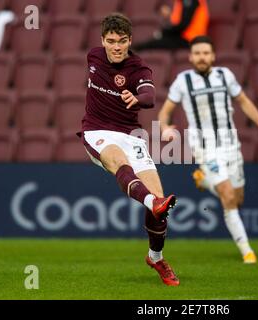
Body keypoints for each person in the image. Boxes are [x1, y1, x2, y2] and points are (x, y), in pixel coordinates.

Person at [77, 13, 179, 286]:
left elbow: (149, 96)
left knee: (159, 207)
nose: (117, 47)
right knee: (117, 160)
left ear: (130, 41)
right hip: (97, 131)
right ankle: (152, 203)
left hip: (131, 136)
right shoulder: (93, 57)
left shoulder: (139, 68)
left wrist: (138, 98)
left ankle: (155, 258)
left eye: (122, 41)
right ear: (103, 41)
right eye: (111, 41)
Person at [158, 35, 258, 264]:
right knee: (227, 195)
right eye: (197, 53)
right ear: (191, 57)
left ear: (213, 56)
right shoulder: (183, 80)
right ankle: (247, 251)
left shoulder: (225, 75)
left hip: (230, 144)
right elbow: (165, 111)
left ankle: (205, 181)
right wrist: (164, 128)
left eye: (205, 53)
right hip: (204, 145)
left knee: (236, 199)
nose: (201, 57)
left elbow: (243, 101)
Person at [133, 0, 209, 51]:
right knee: (153, 42)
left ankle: (135, 49)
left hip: (190, 40)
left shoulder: (190, 1)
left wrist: (164, 32)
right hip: (182, 37)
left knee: (152, 44)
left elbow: (183, 25)